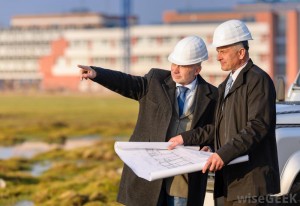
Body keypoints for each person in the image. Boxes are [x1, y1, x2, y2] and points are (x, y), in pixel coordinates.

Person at [79, 35, 218, 206]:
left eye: (182, 66)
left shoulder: (213, 95)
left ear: (197, 69)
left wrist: (209, 146)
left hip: (183, 182)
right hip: (149, 177)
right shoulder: (155, 80)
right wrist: (97, 74)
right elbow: (127, 82)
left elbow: (216, 130)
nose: (175, 69)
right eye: (174, 63)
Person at [169, 20, 280, 205]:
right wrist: (186, 138)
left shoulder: (258, 80)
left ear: (241, 52)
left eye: (223, 51)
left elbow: (257, 126)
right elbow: (218, 128)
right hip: (228, 183)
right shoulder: (224, 87)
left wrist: (223, 154)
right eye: (218, 51)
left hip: (250, 184)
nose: (218, 57)